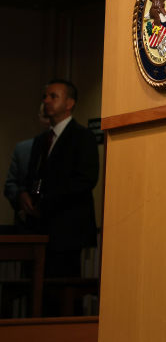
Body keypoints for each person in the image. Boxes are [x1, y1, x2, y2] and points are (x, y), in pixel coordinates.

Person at [18, 80, 99, 282]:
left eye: (53, 97)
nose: (46, 101)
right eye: (45, 96)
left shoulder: (82, 137)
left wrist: (47, 201)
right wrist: (27, 195)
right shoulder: (41, 140)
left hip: (67, 229)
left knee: (60, 286)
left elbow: (86, 180)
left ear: (69, 103)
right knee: (35, 285)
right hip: (39, 227)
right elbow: (34, 176)